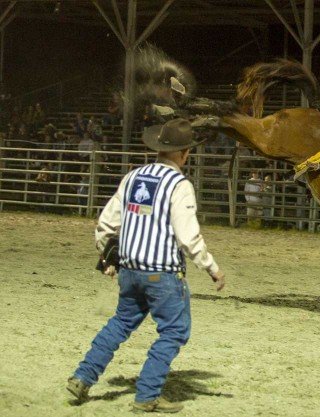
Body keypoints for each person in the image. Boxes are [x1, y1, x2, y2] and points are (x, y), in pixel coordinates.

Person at [67, 118, 225, 413]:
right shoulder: (179, 185)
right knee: (175, 330)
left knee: (120, 324)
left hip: (129, 270)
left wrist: (106, 257)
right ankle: (147, 394)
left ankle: (83, 376)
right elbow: (188, 235)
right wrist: (211, 267)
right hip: (162, 273)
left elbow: (106, 223)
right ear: (184, 153)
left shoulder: (133, 177)